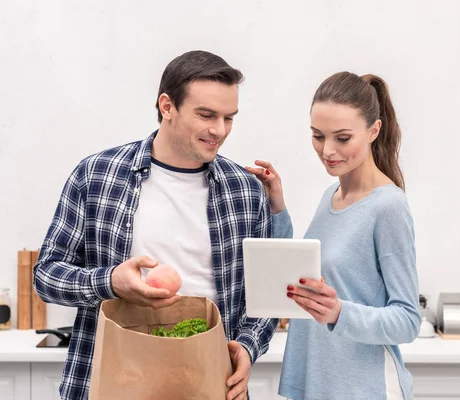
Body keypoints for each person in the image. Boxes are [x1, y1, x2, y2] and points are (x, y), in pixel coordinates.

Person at [33, 50, 277, 400]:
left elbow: (266, 300)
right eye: (206, 115)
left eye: (229, 118)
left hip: (211, 383)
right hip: (111, 378)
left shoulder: (246, 190)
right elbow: (46, 277)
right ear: (167, 106)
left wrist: (249, 347)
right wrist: (111, 281)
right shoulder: (97, 175)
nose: (219, 130)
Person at [246, 71, 421, 399]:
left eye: (342, 138)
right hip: (317, 381)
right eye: (317, 135)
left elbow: (408, 320)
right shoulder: (332, 195)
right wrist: (277, 207)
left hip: (361, 388)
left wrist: (340, 312)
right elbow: (304, 279)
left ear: (374, 130)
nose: (327, 150)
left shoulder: (388, 206)